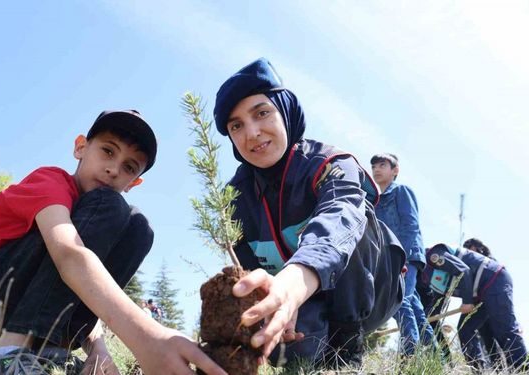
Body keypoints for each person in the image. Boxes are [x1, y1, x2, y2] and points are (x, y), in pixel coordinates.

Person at [0, 110, 226, 375]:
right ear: (80, 147)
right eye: (108, 151)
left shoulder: (103, 218)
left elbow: (81, 281)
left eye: (129, 167)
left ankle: (41, 350)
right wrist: (145, 337)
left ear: (134, 183)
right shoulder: (50, 181)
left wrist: (99, 350)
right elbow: (69, 256)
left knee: (139, 228)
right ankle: (8, 354)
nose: (114, 169)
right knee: (109, 208)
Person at [213, 58, 406, 369]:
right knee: (288, 356)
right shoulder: (235, 199)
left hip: (371, 289)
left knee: (358, 221)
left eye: (262, 113)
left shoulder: (329, 163)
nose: (252, 133)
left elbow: (340, 214)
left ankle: (348, 350)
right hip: (300, 299)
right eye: (236, 125)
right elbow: (247, 270)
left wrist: (294, 280)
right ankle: (313, 347)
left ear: (285, 111)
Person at [422, 243, 527, 371]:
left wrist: (466, 301)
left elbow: (463, 270)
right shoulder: (427, 274)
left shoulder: (434, 255)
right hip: (479, 294)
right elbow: (439, 297)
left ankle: (522, 370)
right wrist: (425, 318)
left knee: (504, 329)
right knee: (465, 330)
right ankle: (478, 370)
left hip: (494, 280)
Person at [370, 153, 435, 355]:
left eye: (382, 165)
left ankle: (410, 356)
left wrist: (402, 258)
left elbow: (411, 225)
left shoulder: (401, 191)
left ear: (395, 170)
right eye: (374, 166)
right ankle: (438, 359)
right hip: (390, 260)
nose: (377, 169)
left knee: (399, 302)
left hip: (406, 257)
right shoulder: (375, 200)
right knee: (415, 310)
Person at [463, 238, 504, 369]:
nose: (468, 251)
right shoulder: (471, 264)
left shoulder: (489, 262)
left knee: (494, 336)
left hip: (490, 304)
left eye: (469, 247)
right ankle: (487, 368)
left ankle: (501, 368)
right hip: (478, 305)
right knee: (486, 336)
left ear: (478, 247)